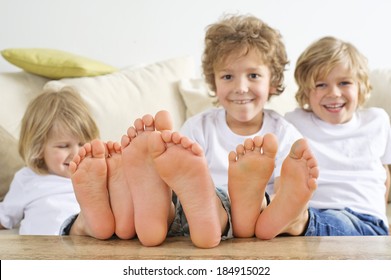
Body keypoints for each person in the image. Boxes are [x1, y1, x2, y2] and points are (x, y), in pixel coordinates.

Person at [248, 36, 390, 239]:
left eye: (344, 83)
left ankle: (295, 222)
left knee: (332, 221)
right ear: (306, 92)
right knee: (300, 215)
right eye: (321, 85)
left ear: (361, 86)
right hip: (308, 211)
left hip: (364, 220)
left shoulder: (377, 120)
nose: (334, 93)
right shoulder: (293, 122)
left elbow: (384, 174)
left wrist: (382, 215)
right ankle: (282, 216)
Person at [180, 14, 303, 237]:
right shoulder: (198, 128)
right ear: (213, 82)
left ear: (273, 82)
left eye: (253, 75)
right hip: (201, 210)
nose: (241, 87)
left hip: (259, 215)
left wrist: (267, 203)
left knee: (270, 203)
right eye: (228, 76)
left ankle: (248, 207)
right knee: (179, 205)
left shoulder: (283, 133)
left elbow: (287, 194)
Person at [0, 87, 100, 235]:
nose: (76, 153)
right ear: (39, 148)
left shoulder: (96, 175)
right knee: (84, 223)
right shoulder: (28, 178)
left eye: (82, 144)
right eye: (63, 146)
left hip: (94, 243)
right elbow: (4, 218)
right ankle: (81, 226)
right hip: (50, 246)